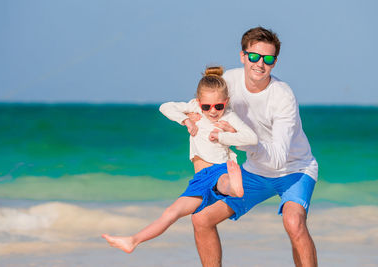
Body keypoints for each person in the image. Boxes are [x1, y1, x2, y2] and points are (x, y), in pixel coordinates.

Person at [190, 27, 319, 267]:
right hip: (256, 170)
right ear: (243, 56)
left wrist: (241, 141)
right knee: (201, 219)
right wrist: (191, 119)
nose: (260, 63)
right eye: (254, 56)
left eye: (268, 59)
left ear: (274, 62)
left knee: (294, 223)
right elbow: (202, 104)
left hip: (295, 169)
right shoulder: (229, 81)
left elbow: (279, 158)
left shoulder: (282, 96)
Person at [101, 66, 258, 253]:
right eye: (206, 106)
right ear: (199, 102)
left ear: (226, 102)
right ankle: (133, 241)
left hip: (219, 169)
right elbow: (165, 107)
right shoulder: (193, 107)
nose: (213, 111)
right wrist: (186, 120)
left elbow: (251, 138)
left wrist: (225, 134)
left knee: (223, 182)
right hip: (199, 180)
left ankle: (235, 188)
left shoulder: (229, 116)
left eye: (219, 106)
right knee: (171, 212)